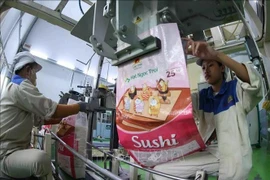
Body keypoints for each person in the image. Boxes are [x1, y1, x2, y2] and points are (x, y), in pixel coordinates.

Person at [153, 38, 263, 180]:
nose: (206, 70)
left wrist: (216, 54)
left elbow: (254, 83)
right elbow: (176, 100)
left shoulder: (235, 90)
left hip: (232, 154)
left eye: (210, 65)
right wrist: (178, 59)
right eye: (203, 68)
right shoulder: (202, 97)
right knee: (160, 171)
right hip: (209, 152)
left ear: (222, 67)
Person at [0, 52, 96, 179]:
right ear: (28, 70)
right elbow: (53, 110)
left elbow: (43, 119)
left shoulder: (16, 91)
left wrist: (65, 116)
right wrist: (80, 107)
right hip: (6, 156)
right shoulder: (21, 87)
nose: (36, 78)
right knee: (41, 159)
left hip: (12, 152)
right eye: (35, 72)